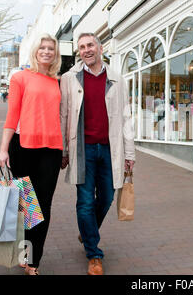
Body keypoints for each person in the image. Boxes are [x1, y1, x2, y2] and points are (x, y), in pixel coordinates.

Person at [60, 32, 135, 275]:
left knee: (107, 198)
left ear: (100, 48)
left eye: (90, 45)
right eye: (81, 47)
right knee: (84, 203)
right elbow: (64, 115)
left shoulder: (116, 78)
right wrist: (63, 149)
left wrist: (129, 153)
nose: (86, 50)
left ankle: (87, 232)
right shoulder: (70, 78)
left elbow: (125, 116)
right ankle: (93, 254)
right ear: (78, 52)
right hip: (83, 150)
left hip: (110, 149)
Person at [0, 33, 63, 275]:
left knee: (43, 208)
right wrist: (3, 150)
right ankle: (26, 254)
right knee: (28, 207)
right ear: (35, 50)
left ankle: (33, 263)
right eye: (42, 47)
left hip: (51, 151)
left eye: (51, 49)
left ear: (56, 54)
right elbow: (12, 116)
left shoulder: (58, 81)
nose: (46, 51)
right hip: (23, 148)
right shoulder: (20, 78)